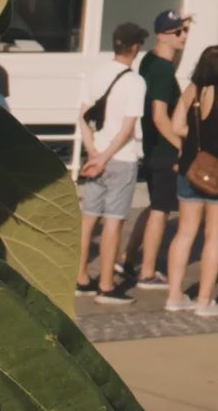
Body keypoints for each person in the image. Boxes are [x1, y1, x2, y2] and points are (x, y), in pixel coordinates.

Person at [163, 46, 218, 317]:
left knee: (185, 232)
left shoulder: (192, 90)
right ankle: (204, 300)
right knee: (214, 236)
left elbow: (176, 126)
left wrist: (198, 138)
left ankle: (175, 296)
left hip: (191, 167)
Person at [75, 22, 148, 305]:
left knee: (89, 218)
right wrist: (105, 157)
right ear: (135, 47)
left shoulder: (95, 74)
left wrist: (93, 152)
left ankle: (80, 277)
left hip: (95, 154)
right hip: (121, 158)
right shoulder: (135, 82)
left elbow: (83, 116)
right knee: (113, 222)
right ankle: (106, 284)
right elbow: (127, 129)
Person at [129, 9, 189, 291]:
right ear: (162, 35)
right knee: (161, 210)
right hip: (164, 149)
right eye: (178, 32)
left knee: (154, 205)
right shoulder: (163, 71)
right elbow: (159, 116)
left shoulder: (150, 61)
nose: (184, 36)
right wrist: (181, 146)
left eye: (185, 31)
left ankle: (127, 257)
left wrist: (182, 32)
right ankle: (147, 271)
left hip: (152, 146)